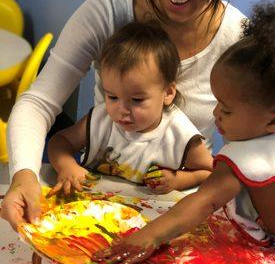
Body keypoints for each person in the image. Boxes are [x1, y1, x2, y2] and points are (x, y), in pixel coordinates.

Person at [1, 0, 250, 230]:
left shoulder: (238, 38)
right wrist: (24, 174)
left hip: (180, 213)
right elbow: (38, 103)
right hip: (91, 208)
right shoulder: (108, 10)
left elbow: (244, 158)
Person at [93, 0, 275, 264]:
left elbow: (200, 203)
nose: (215, 115)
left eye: (226, 110)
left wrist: (144, 238)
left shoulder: (243, 159)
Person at [47, 21, 213, 196]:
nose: (122, 110)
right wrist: (68, 166)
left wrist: (178, 180)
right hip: (92, 207)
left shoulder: (178, 133)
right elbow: (59, 142)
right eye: (112, 97)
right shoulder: (102, 119)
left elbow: (210, 171)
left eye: (136, 99)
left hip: (151, 216)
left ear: (168, 93)